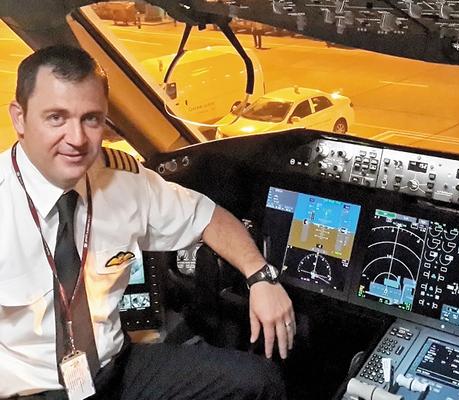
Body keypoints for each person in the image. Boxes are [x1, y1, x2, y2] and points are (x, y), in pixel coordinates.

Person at [0, 45, 295, 399]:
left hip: (115, 371)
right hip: (33, 391)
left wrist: (260, 277)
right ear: (19, 118)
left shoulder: (124, 181)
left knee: (258, 382)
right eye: (56, 118)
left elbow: (208, 217)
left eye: (91, 119)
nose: (76, 139)